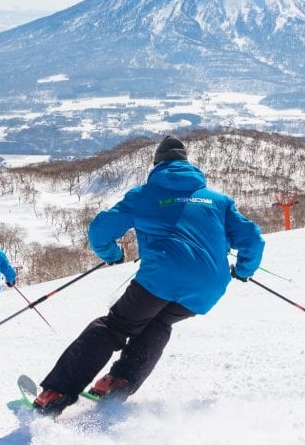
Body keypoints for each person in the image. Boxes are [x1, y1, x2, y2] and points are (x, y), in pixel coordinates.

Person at [32, 135, 265, 415]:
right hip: (208, 287)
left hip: (161, 279)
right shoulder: (218, 201)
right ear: (188, 164)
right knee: (157, 324)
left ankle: (57, 392)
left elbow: (100, 231)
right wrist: (242, 270)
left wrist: (113, 255)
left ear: (156, 165)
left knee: (114, 327)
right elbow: (252, 239)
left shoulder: (142, 196)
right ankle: (120, 382)